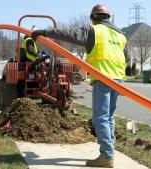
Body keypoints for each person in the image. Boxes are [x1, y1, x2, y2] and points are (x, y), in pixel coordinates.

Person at [31, 4, 126, 168]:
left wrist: (44, 32)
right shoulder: (120, 35)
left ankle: (107, 156)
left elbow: (68, 33)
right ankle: (109, 151)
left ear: (94, 17)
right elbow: (124, 58)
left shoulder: (94, 31)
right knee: (109, 117)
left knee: (100, 118)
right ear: (108, 17)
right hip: (119, 80)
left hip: (104, 79)